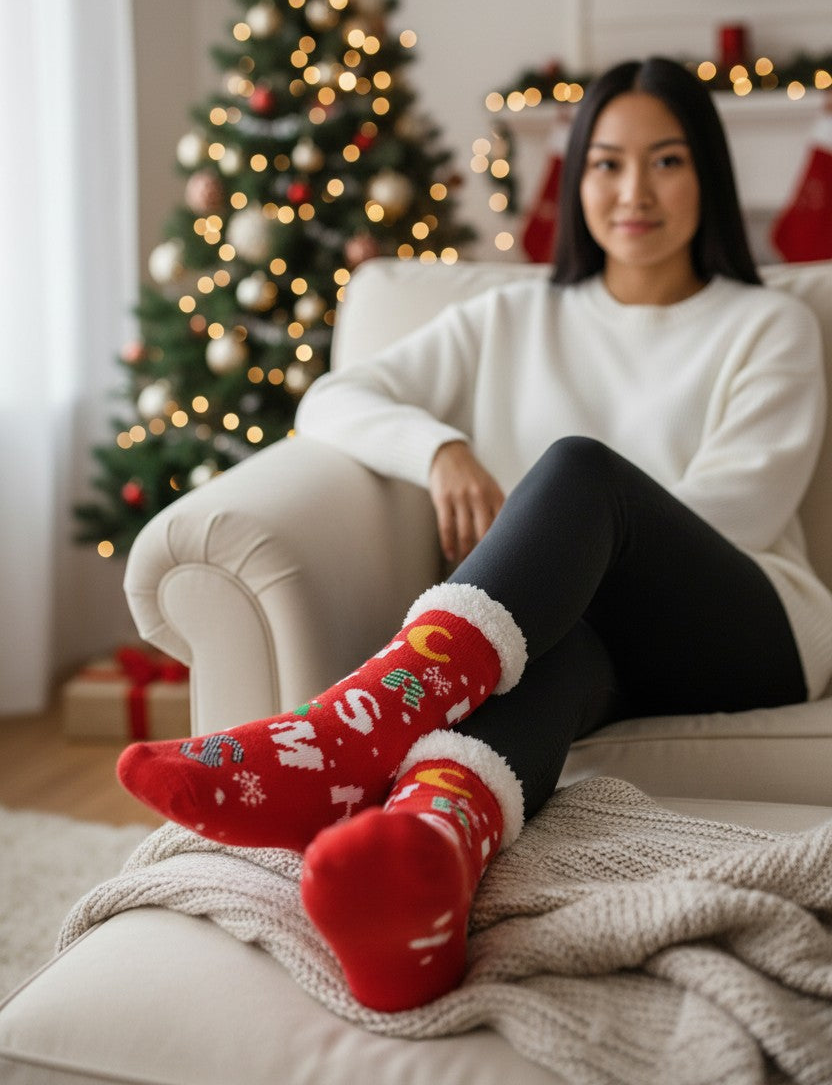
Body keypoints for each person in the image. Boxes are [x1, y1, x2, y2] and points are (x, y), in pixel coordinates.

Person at [117, 56, 832, 1014]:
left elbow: (732, 514)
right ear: (575, 181)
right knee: (557, 652)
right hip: (576, 639)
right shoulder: (508, 316)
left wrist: (555, 543)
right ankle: (423, 871)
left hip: (746, 633)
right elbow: (337, 397)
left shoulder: (769, 324)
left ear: (707, 174)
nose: (634, 192)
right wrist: (442, 449)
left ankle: (344, 734)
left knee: (579, 472)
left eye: (665, 162)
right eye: (606, 164)